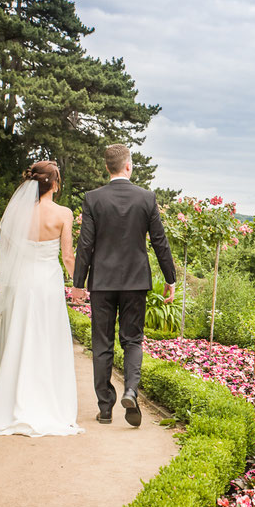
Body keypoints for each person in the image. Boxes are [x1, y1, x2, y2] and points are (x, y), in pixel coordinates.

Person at [0, 161, 84, 437]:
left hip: (22, 283)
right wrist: (79, 286)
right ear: (54, 183)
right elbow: (68, 256)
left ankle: (12, 401)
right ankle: (46, 401)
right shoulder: (63, 213)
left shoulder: (18, 213)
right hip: (47, 283)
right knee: (47, 338)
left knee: (19, 337)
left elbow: (8, 252)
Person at [72, 144, 176, 427]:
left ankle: (105, 408)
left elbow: (85, 244)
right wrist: (170, 278)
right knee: (132, 340)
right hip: (135, 282)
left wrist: (78, 283)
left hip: (102, 282)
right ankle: (131, 389)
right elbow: (159, 242)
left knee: (102, 343)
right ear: (128, 166)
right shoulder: (146, 198)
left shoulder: (93, 199)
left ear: (108, 168)